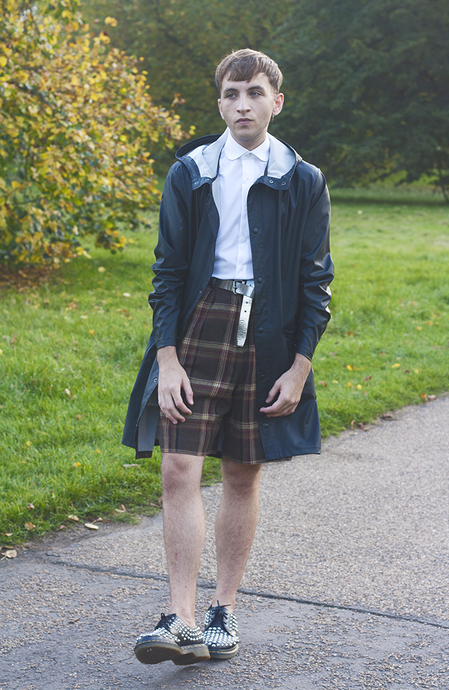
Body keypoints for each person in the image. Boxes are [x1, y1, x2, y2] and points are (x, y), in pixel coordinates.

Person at [122, 48, 334, 666]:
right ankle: (181, 619)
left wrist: (299, 366)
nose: (243, 105)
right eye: (232, 94)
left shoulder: (303, 179)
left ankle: (222, 610)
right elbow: (167, 273)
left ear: (277, 101)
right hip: (201, 325)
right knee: (178, 467)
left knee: (242, 473)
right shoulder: (191, 172)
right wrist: (167, 359)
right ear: (219, 103)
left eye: (255, 93)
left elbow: (316, 281)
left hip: (269, 334)